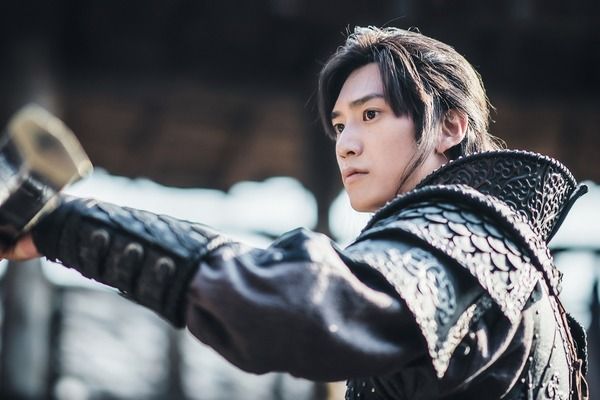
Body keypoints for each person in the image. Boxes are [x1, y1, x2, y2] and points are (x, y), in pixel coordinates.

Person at [1, 26, 589, 399]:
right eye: (339, 125)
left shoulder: (465, 239)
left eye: (371, 115)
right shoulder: (506, 259)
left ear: (450, 127)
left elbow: (300, 304)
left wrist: (64, 226)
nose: (346, 144)